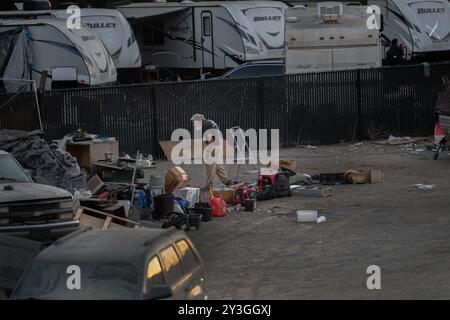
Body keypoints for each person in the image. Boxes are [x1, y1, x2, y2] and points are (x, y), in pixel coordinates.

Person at [190, 114, 232, 188]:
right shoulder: (209, 122)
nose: (194, 124)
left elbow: (210, 139)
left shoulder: (205, 126)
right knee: (218, 165)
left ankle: (209, 185)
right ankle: (226, 181)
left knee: (209, 166)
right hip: (218, 145)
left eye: (195, 122)